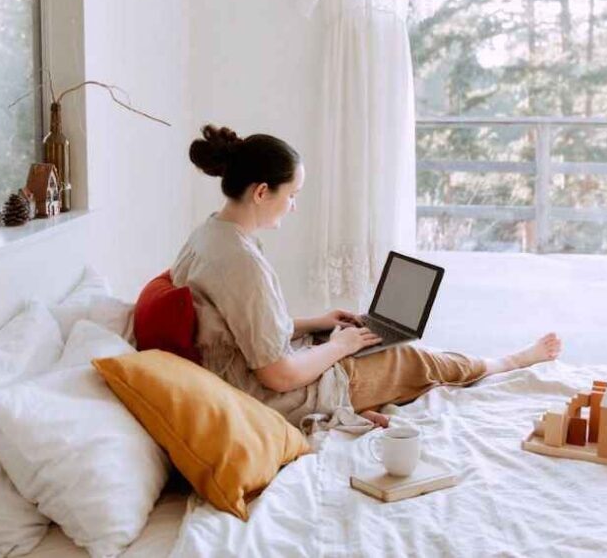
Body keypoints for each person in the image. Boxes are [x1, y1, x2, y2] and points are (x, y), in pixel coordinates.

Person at [171, 124, 561, 428]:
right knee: (413, 358)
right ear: (261, 193)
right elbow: (279, 376)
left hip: (251, 373)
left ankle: (361, 375)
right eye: (292, 195)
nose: (293, 207)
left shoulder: (210, 235)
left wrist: (318, 323)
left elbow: (242, 329)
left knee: (364, 340)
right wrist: (339, 347)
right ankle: (505, 363)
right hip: (276, 395)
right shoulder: (242, 262)